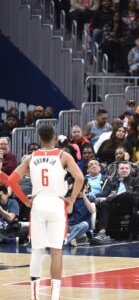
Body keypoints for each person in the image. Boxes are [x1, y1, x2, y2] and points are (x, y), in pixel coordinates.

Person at [7, 124, 84, 300]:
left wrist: (26, 200)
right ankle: (54, 296)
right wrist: (71, 199)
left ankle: (34, 296)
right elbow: (80, 178)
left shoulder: (30, 157)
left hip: (38, 203)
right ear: (55, 138)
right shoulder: (63, 155)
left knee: (37, 251)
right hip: (57, 203)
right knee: (56, 252)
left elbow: (11, 180)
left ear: (40, 139)